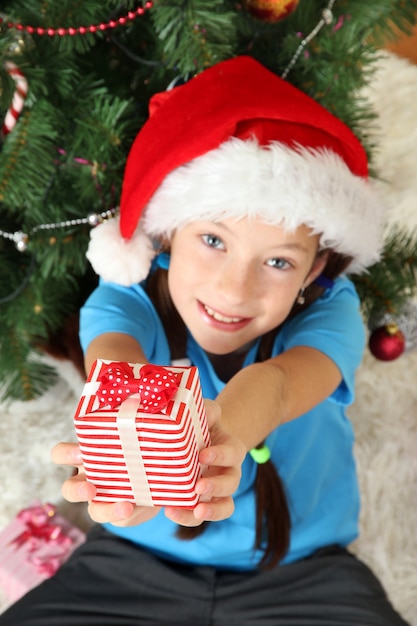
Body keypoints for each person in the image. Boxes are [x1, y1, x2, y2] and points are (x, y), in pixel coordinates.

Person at [0, 56, 409, 625]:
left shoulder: (332, 310)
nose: (234, 290)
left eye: (276, 260)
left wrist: (217, 441)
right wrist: (130, 461)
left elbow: (279, 383)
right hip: (134, 560)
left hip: (303, 569)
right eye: (213, 241)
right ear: (168, 235)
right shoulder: (129, 294)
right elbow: (116, 366)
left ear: (315, 270)